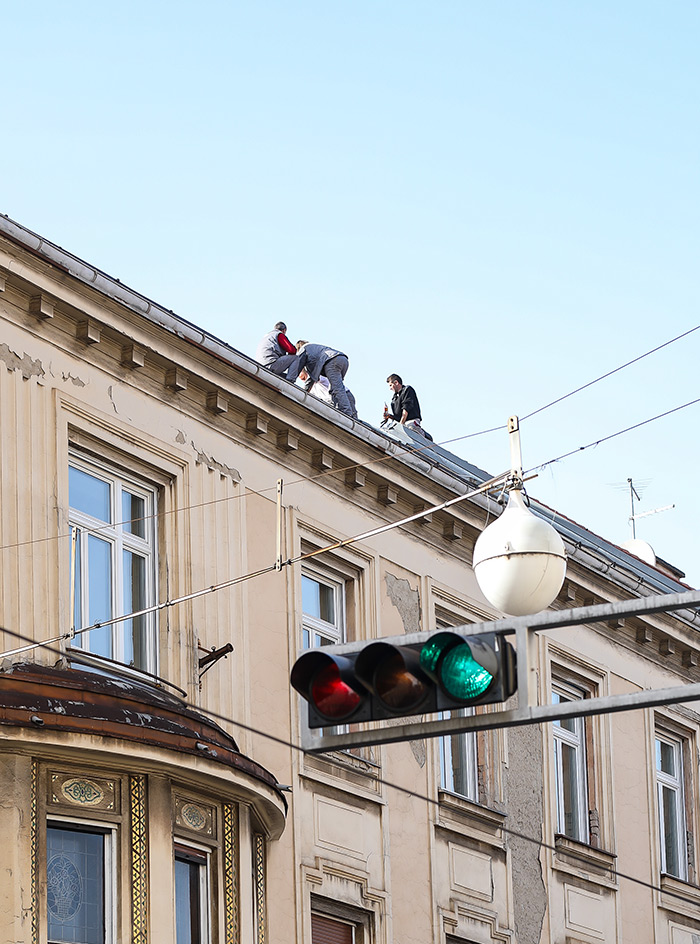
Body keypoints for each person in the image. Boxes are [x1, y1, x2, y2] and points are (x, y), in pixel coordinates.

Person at [288, 342, 357, 418]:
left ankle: (346, 413)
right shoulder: (315, 350)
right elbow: (312, 378)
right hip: (342, 360)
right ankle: (345, 412)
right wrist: (305, 392)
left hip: (332, 361)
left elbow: (297, 369)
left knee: (336, 388)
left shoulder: (304, 349)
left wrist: (289, 382)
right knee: (335, 388)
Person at [386, 373, 433, 440]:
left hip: (411, 421)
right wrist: (390, 416)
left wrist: (400, 425)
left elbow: (406, 409)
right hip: (402, 423)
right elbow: (398, 416)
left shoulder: (407, 390)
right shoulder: (394, 399)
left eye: (391, 385)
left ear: (396, 382)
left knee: (411, 429)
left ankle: (426, 437)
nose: (390, 388)